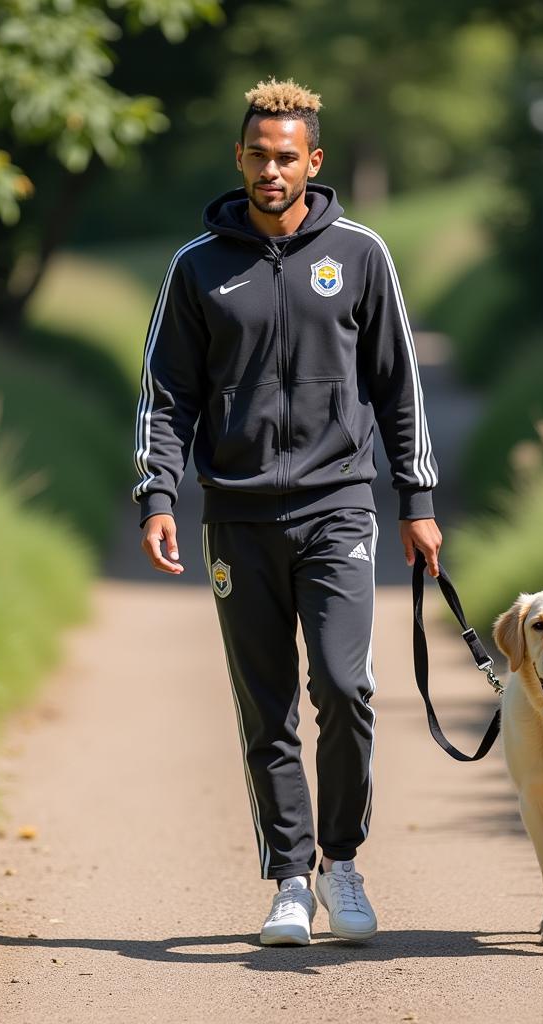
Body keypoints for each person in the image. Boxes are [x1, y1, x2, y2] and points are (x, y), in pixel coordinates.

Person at [133, 77, 442, 946]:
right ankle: (289, 881)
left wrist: (416, 500)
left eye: (287, 157)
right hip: (236, 515)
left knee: (345, 689)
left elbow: (399, 387)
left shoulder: (363, 254)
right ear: (240, 158)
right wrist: (159, 491)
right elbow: (167, 393)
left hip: (339, 507)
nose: (272, 172)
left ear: (314, 160)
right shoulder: (197, 266)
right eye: (258, 156)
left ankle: (341, 863)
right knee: (263, 707)